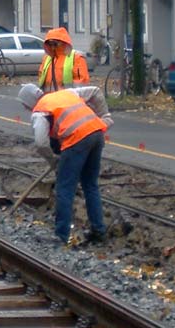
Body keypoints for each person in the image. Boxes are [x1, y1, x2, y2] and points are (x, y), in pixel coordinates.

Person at [17, 83, 114, 245]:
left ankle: (61, 235)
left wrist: (53, 161)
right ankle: (99, 231)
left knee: (64, 188)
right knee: (90, 185)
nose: (26, 109)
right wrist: (104, 115)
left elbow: (41, 143)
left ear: (30, 102)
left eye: (25, 105)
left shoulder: (40, 111)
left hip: (77, 139)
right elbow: (95, 91)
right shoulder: (66, 94)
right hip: (97, 134)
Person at [38, 27, 90, 93]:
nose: (52, 47)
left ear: (64, 43)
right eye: (50, 44)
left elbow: (81, 84)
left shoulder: (76, 58)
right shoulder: (47, 58)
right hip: (49, 99)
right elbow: (41, 78)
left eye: (55, 43)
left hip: (68, 100)